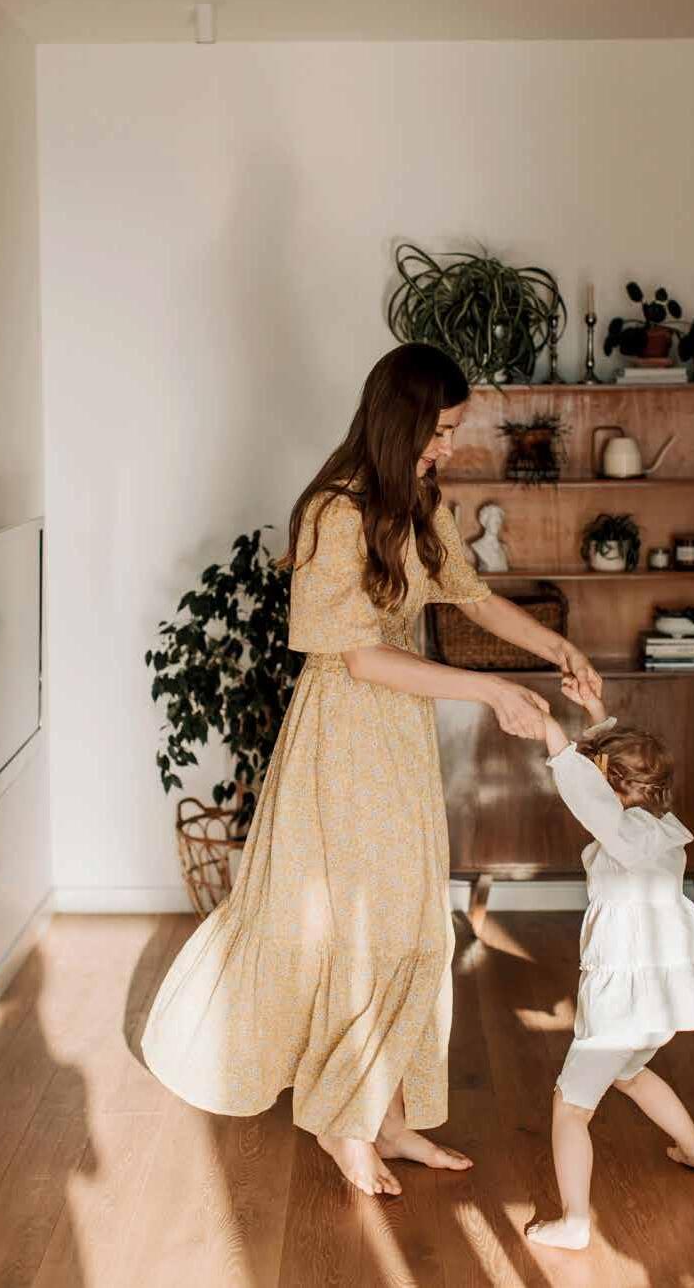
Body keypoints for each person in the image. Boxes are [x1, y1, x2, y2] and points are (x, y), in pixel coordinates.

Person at [142, 342, 601, 1198]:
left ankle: (383, 1117)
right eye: (440, 429)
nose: (450, 445)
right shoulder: (334, 513)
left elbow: (469, 594)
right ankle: (343, 1121)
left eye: (454, 429)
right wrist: (487, 692)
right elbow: (358, 658)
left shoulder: (417, 501)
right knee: (365, 932)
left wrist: (555, 648)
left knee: (417, 932)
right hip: (343, 739)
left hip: (398, 736)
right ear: (400, 421)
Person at [527, 677, 694, 1250]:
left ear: (609, 787)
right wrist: (595, 711)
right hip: (657, 1005)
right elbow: (608, 774)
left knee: (570, 1108)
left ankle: (575, 1221)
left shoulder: (618, 833)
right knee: (630, 1074)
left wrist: (550, 730)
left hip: (621, 1005)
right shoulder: (661, 830)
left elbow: (583, 790)